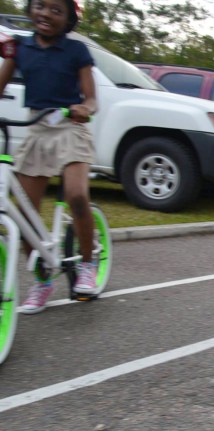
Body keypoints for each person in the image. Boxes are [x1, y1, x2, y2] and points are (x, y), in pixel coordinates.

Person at [0, 0, 98, 314]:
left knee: (76, 195)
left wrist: (86, 109)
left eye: (57, 10)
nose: (46, 14)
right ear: (30, 10)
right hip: (37, 129)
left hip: (70, 126)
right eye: (40, 6)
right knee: (24, 213)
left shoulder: (77, 51)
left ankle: (86, 264)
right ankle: (43, 280)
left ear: (69, 19)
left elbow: (92, 98)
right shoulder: (19, 48)